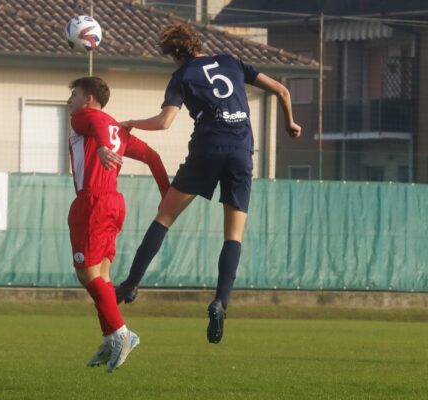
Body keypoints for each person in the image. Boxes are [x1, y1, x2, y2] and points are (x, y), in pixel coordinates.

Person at [112, 23, 301, 344]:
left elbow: (164, 122)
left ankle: (130, 284)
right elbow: (282, 90)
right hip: (241, 152)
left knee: (164, 217)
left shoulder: (182, 76)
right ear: (197, 44)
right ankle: (220, 302)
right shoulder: (231, 61)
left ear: (174, 54)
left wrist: (129, 123)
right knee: (234, 234)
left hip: (207, 148)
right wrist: (290, 123)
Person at [67, 76, 169, 371]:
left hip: (93, 202)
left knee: (86, 274)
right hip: (114, 202)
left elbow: (96, 124)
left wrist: (99, 146)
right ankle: (111, 337)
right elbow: (153, 157)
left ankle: (122, 334)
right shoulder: (119, 130)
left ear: (88, 99)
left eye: (74, 93)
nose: (70, 99)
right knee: (103, 276)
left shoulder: (84, 117)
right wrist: (165, 195)